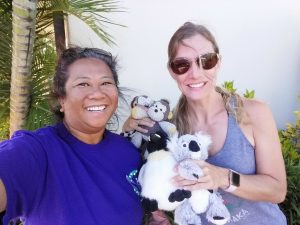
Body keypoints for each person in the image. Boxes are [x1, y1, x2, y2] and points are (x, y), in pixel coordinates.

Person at [122, 22, 287, 224]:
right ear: (172, 70)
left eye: (206, 61)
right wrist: (128, 132)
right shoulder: (172, 133)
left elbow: (277, 190)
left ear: (218, 62)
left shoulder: (253, 112)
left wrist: (223, 177)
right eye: (182, 64)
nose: (195, 73)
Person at [0, 47, 143, 225]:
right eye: (83, 84)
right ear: (62, 99)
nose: (98, 93)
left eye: (106, 83)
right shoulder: (39, 150)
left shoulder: (127, 151)